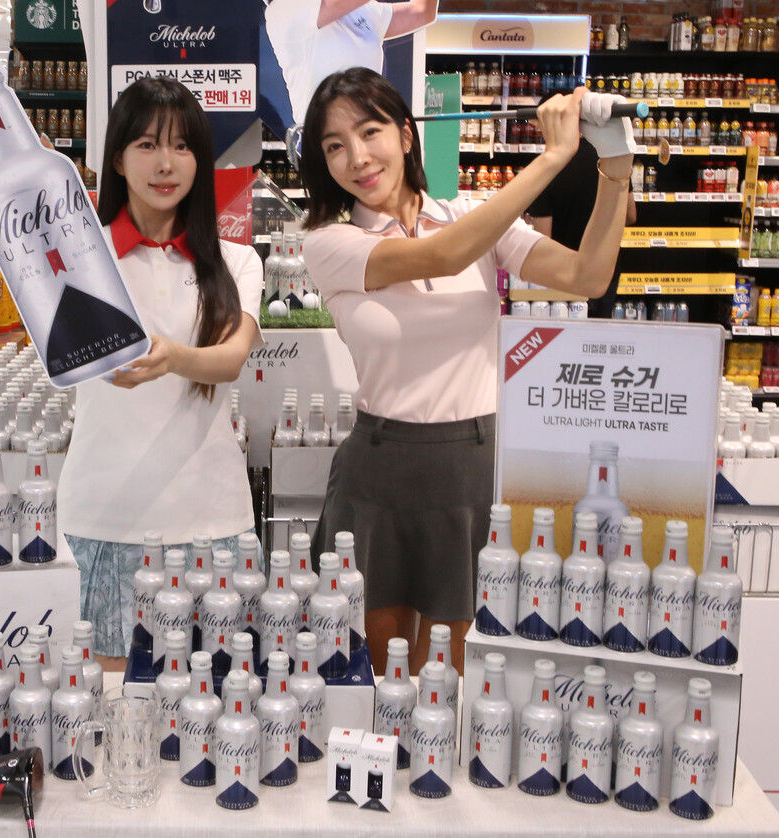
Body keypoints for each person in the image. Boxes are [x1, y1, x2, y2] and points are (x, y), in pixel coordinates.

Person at [298, 67, 633, 675]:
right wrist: (553, 157)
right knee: (370, 676)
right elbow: (444, 254)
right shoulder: (330, 243)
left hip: (472, 469)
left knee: (453, 676)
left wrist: (614, 165)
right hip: (378, 471)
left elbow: (587, 276)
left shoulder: (471, 215)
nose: (357, 158)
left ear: (405, 135)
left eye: (370, 133)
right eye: (335, 146)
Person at [55, 77, 264, 661]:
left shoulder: (237, 261)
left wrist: (173, 357)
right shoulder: (78, 257)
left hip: (213, 517)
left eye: (182, 145)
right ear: (118, 158)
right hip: (103, 515)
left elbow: (231, 358)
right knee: (105, 699)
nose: (165, 163)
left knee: (221, 694)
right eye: (147, 144)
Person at [265, 0, 437, 127]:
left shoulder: (360, 9)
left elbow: (422, 12)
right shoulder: (282, 8)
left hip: (369, 131)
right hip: (325, 142)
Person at [527, 137, 637, 318]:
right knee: (598, 330)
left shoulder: (546, 167)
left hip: (564, 272)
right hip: (604, 268)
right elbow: (630, 214)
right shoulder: (609, 160)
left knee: (564, 331)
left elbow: (543, 236)